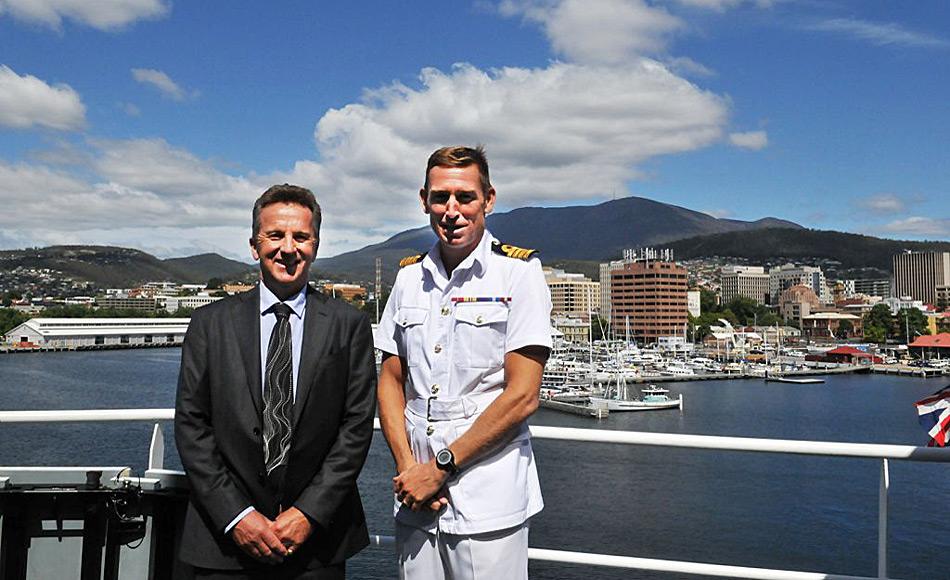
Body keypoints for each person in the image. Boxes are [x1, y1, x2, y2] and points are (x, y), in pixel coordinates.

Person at [175, 184, 377, 579]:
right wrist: (238, 516)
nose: (288, 248)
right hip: (225, 544)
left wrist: (308, 513)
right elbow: (192, 425)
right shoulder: (209, 324)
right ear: (254, 245)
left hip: (316, 544)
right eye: (275, 235)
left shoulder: (348, 325)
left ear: (315, 245)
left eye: (300, 237)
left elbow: (354, 429)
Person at [375, 146, 552, 579]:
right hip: (416, 495)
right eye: (440, 198)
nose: (452, 210)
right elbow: (391, 380)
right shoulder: (407, 278)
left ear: (488, 199)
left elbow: (523, 396)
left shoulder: (519, 273)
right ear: (424, 201)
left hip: (486, 498)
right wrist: (407, 469)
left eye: (465, 197)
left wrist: (441, 468)